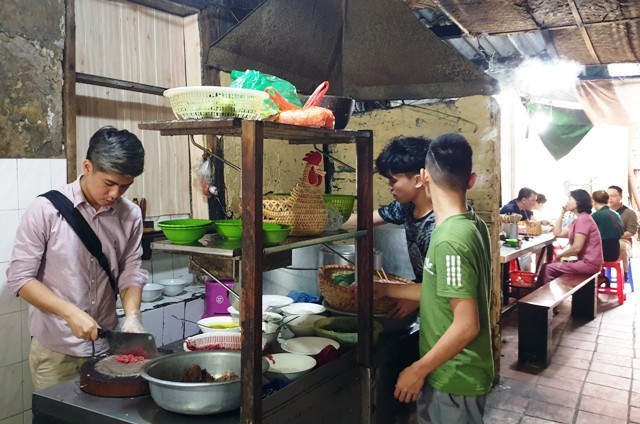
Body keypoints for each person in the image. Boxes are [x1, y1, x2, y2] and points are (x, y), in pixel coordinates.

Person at [7, 126, 149, 391]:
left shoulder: (130, 215)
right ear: (87, 167)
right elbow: (20, 279)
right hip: (56, 351)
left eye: (125, 186)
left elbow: (131, 269)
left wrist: (132, 316)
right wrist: (70, 313)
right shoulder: (46, 210)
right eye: (109, 183)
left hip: (107, 347)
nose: (116, 194)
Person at [375, 133, 493, 423]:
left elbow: (466, 325)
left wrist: (418, 369)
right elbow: (440, 292)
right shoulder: (473, 224)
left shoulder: (449, 240)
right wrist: (383, 290)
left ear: (424, 177)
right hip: (446, 368)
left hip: (455, 372)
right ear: (472, 179)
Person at [343, 135, 435, 319]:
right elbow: (365, 219)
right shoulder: (405, 207)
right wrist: (322, 221)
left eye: (393, 181)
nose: (389, 187)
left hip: (440, 304)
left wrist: (415, 297)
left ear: (418, 180)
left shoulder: (438, 224)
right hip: (426, 293)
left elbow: (444, 288)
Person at [537, 189, 603, 285]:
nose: (567, 202)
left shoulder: (583, 219)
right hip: (584, 262)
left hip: (589, 264)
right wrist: (562, 213)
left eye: (569, 199)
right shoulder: (579, 219)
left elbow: (576, 248)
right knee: (545, 266)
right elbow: (557, 233)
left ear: (578, 202)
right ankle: (536, 296)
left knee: (549, 268)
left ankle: (543, 297)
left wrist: (560, 256)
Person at [607, 185, 638, 281]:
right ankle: (599, 274)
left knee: (621, 246)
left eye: (613, 195)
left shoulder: (630, 213)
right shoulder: (603, 212)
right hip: (605, 239)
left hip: (623, 239)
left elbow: (631, 231)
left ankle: (624, 273)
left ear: (620, 197)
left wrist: (614, 236)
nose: (610, 198)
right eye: (608, 196)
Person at [591, 190, 624, 262]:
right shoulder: (616, 214)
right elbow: (622, 232)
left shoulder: (595, 216)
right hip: (615, 252)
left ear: (593, 201)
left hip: (602, 253)